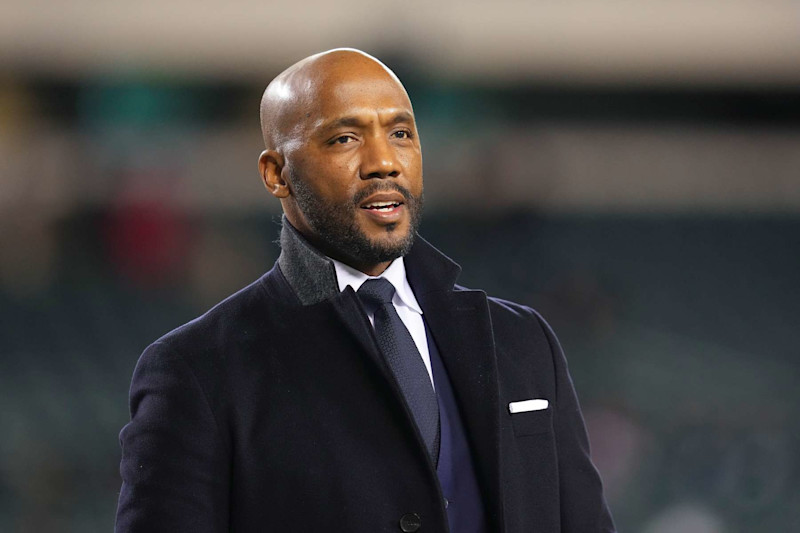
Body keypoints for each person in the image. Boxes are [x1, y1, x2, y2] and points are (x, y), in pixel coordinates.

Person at [115, 48, 615, 533]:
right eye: (344, 139)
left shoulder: (522, 342)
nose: (383, 162)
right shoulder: (197, 369)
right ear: (276, 173)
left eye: (400, 133)